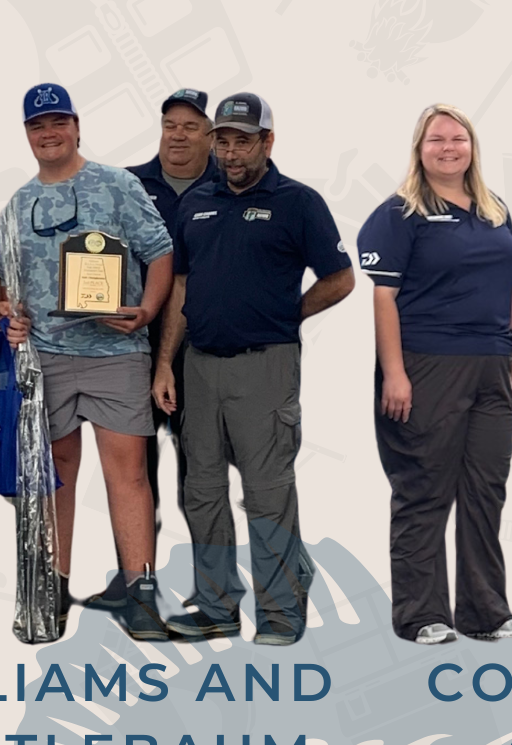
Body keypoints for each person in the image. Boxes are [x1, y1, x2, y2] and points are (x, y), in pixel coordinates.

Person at [157, 92, 354, 646]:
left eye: (243, 140)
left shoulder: (298, 202)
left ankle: (281, 612)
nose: (231, 151)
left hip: (265, 367)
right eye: (222, 139)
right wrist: (165, 365)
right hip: (198, 366)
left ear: (268, 141)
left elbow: (340, 278)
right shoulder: (196, 201)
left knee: (267, 492)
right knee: (202, 491)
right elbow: (181, 286)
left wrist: (290, 312)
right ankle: (217, 606)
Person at [0, 84, 176, 643]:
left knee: (129, 476)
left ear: (76, 126)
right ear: (27, 133)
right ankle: (53, 590)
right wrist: (2, 307)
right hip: (44, 358)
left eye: (59, 122)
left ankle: (140, 593)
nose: (50, 133)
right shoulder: (17, 204)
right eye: (38, 125)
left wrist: (145, 312)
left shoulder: (117, 184)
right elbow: (4, 279)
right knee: (53, 479)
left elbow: (160, 253)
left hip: (114, 353)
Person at [357, 102, 512, 646]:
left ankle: (485, 612)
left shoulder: (494, 209)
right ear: (419, 149)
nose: (449, 147)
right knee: (423, 490)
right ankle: (420, 615)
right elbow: (383, 297)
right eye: (437, 140)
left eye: (458, 139)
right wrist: (395, 374)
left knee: (485, 491)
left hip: (492, 368)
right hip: (427, 366)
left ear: (472, 147)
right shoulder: (400, 213)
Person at [74, 89, 216, 616]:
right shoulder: (127, 183)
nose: (178, 135)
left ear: (211, 135)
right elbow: (93, 249)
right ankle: (136, 581)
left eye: (191, 126)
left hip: (203, 354)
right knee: (133, 476)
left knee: (200, 478)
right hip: (131, 347)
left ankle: (212, 588)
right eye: (169, 124)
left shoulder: (231, 185)